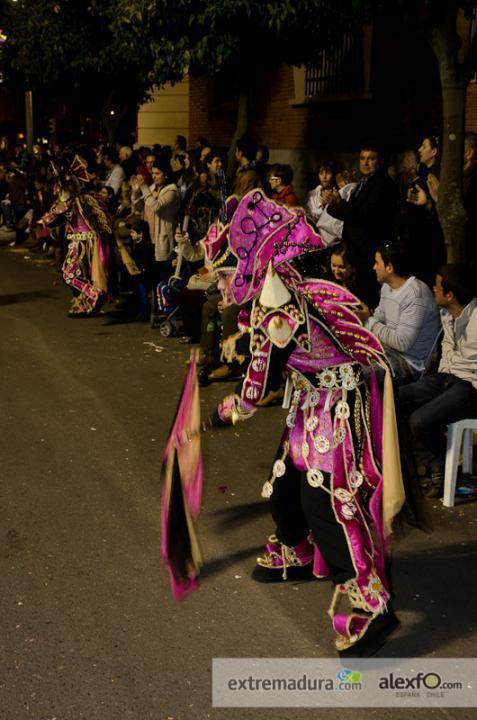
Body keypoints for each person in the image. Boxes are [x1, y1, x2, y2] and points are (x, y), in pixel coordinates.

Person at [208, 190, 404, 656]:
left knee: (329, 501)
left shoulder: (278, 299)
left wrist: (224, 412)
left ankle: (369, 598)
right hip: (311, 399)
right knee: (285, 484)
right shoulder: (287, 287)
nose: (219, 282)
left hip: (339, 401)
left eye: (224, 271)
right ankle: (296, 549)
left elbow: (257, 389)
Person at [399, 264, 477, 498]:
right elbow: (448, 356)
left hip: (471, 386)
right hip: (450, 377)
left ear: (450, 294)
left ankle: (447, 470)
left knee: (420, 420)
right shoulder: (447, 314)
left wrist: (452, 365)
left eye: (437, 285)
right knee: (396, 400)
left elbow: (468, 365)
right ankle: (435, 462)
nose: (433, 288)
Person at [323, 145, 397, 305]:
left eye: (371, 159)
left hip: (367, 250)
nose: (365, 163)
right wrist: (332, 203)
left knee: (365, 294)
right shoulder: (364, 181)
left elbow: (364, 215)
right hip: (355, 249)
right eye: (363, 158)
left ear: (380, 161)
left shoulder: (382, 184)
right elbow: (349, 214)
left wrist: (340, 203)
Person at [364, 242, 441, 384]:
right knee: (348, 359)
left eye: (377, 263)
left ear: (389, 267)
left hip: (411, 364)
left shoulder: (416, 294)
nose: (373, 267)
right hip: (389, 351)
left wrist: (369, 321)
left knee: (358, 375)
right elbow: (379, 317)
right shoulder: (387, 287)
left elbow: (402, 343)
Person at [130, 163, 180, 282]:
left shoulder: (171, 191)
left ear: (166, 174)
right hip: (148, 237)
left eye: (157, 173)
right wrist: (136, 192)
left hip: (161, 239)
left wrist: (143, 187)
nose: (154, 176)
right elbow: (140, 207)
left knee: (162, 276)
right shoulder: (152, 188)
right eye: (152, 173)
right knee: (149, 277)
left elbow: (156, 206)